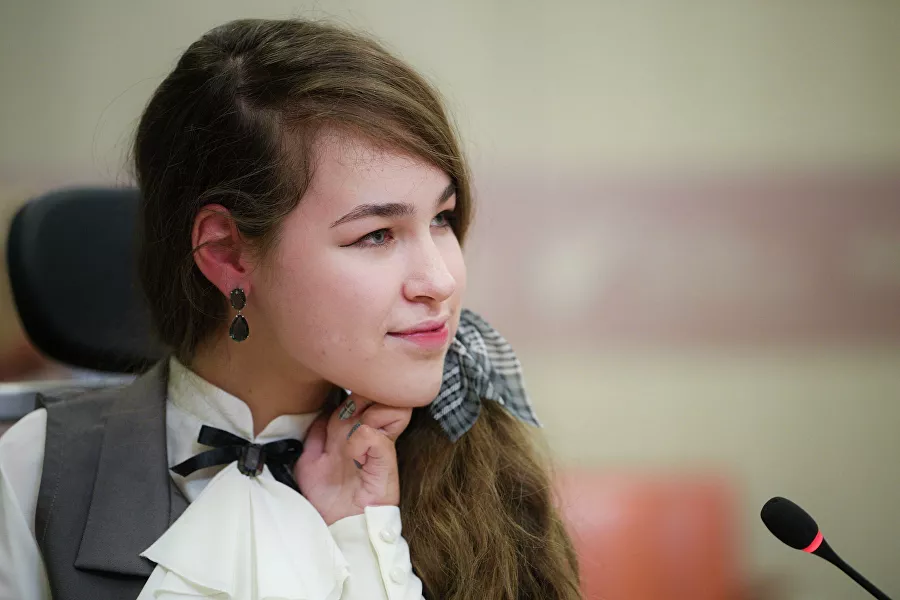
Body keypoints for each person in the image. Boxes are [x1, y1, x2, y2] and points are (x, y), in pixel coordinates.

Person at [0, 18, 581, 600]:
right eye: (377, 234)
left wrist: (365, 539)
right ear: (226, 252)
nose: (440, 280)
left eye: (442, 219)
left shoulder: (480, 462)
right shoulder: (37, 471)